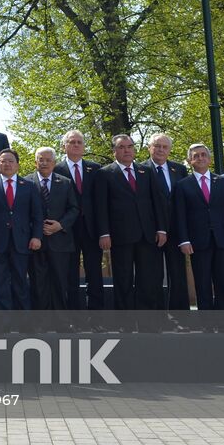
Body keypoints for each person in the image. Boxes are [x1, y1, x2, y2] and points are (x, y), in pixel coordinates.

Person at [95, 134, 168, 319]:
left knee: (147, 280)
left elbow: (156, 202)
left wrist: (161, 229)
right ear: (114, 151)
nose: (126, 150)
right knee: (123, 280)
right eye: (121, 147)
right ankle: (125, 323)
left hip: (147, 235)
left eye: (129, 146)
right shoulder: (105, 173)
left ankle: (146, 323)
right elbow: (101, 207)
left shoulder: (146, 171)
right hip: (120, 236)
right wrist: (104, 233)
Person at [173, 142, 224, 332]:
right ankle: (208, 325)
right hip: (197, 242)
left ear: (209, 159)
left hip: (221, 240)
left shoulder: (223, 182)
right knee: (202, 284)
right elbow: (180, 216)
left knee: (222, 284)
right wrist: (184, 240)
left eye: (203, 155)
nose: (200, 158)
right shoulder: (183, 185)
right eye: (196, 156)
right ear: (189, 160)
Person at [0, 149, 43, 315]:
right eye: (3, 161)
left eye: (10, 161)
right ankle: (3, 325)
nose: (7, 164)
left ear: (17, 165)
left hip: (22, 241)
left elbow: (37, 214)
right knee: (0, 283)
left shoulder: (29, 186)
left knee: (21, 282)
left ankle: (24, 324)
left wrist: (37, 236)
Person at [55, 129, 103, 312]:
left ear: (84, 146)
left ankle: (96, 317)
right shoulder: (57, 169)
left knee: (95, 274)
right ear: (64, 146)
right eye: (72, 142)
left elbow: (100, 201)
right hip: (67, 229)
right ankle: (73, 317)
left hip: (91, 229)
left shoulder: (95, 168)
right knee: (70, 275)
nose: (76, 145)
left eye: (79, 142)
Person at [31, 147, 79, 313]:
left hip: (61, 242)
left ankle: (61, 323)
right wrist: (36, 230)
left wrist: (60, 225)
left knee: (60, 283)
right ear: (35, 161)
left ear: (54, 162)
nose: (44, 163)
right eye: (41, 159)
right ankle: (40, 323)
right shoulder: (26, 182)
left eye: (48, 160)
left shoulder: (65, 182)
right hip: (36, 242)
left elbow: (74, 209)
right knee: (39, 283)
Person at [147, 132, 190, 314]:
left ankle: (179, 317)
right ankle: (157, 317)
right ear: (149, 148)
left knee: (178, 275)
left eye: (165, 147)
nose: (161, 150)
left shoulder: (179, 170)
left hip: (176, 229)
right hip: (151, 231)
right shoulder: (141, 169)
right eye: (157, 146)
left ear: (170, 150)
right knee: (153, 276)